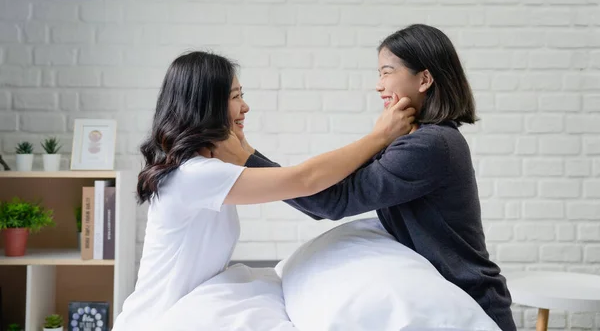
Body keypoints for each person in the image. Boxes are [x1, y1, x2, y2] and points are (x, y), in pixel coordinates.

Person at [220, 24, 516, 331]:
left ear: (424, 79)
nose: (379, 85)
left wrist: (246, 158)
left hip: (472, 304)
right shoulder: (417, 139)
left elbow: (333, 201)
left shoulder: (430, 145)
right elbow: (337, 184)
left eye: (386, 72)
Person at [111, 51, 415, 330]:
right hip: (160, 319)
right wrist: (381, 135)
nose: (245, 107)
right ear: (206, 106)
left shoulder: (200, 170)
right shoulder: (196, 175)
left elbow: (300, 183)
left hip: (190, 310)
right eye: (235, 97)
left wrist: (246, 151)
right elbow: (305, 181)